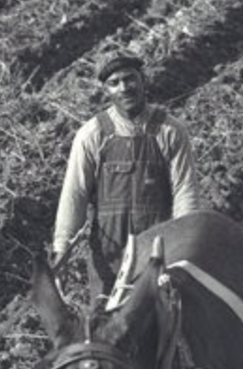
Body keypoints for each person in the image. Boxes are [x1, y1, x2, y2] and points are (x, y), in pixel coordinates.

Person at [51, 50, 202, 296]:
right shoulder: (92, 135)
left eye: (129, 78)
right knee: (106, 326)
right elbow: (74, 195)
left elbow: (185, 191)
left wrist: (185, 245)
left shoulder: (170, 131)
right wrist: (62, 249)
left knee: (163, 323)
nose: (124, 87)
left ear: (143, 79)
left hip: (158, 250)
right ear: (105, 90)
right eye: (114, 83)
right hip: (110, 255)